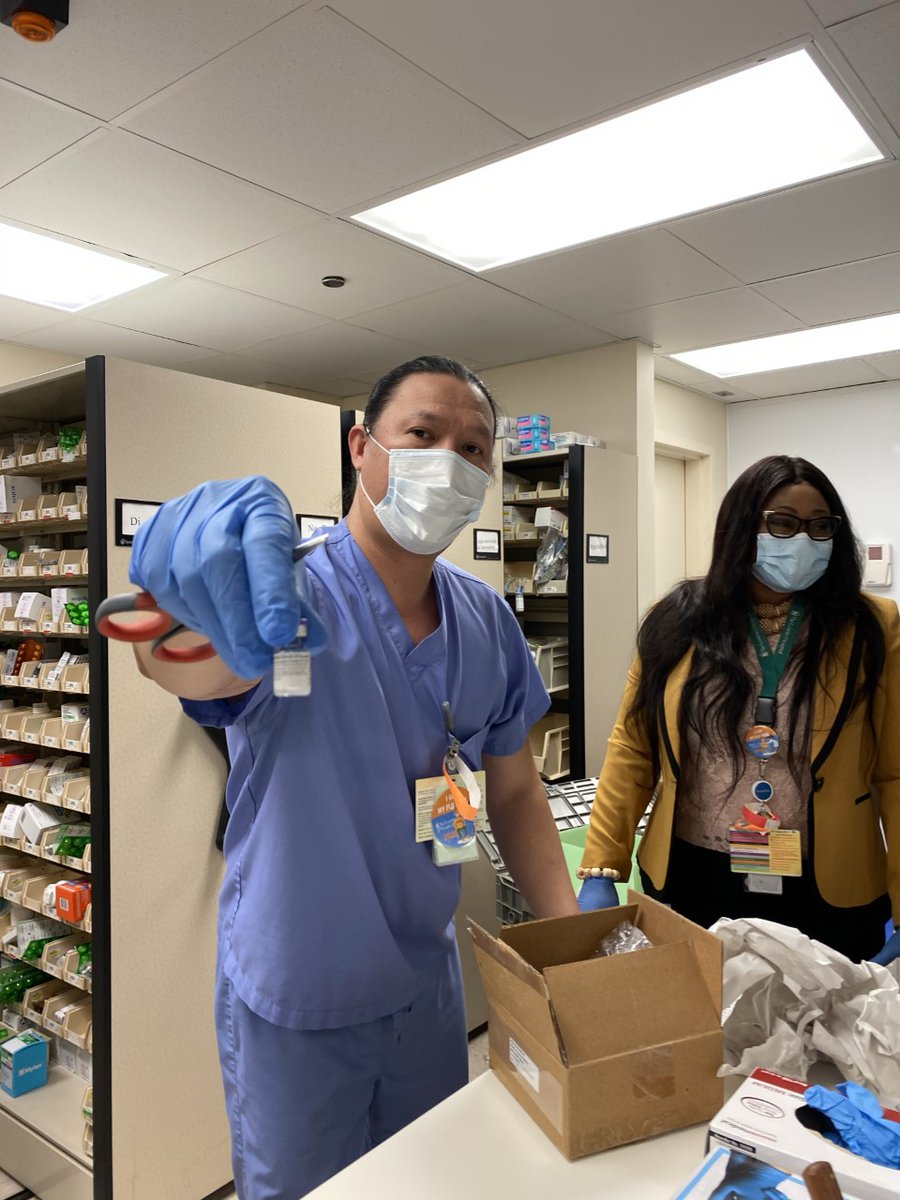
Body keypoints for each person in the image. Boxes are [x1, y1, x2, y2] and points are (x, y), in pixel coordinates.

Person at [126, 355, 579, 1200]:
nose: (451, 460)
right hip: (300, 990)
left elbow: (515, 791)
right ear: (361, 448)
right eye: (424, 434)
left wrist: (570, 949)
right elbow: (184, 668)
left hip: (425, 984)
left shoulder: (482, 619)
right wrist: (171, 605)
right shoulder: (287, 591)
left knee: (423, 1183)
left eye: (474, 448)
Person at [577, 454, 900, 967]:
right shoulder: (676, 621)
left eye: (821, 527)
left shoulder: (871, 626)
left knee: (823, 1038)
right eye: (783, 523)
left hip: (827, 878)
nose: (804, 541)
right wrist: (601, 867)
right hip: (693, 872)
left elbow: (894, 772)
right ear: (741, 527)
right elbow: (633, 750)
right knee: (703, 1027)